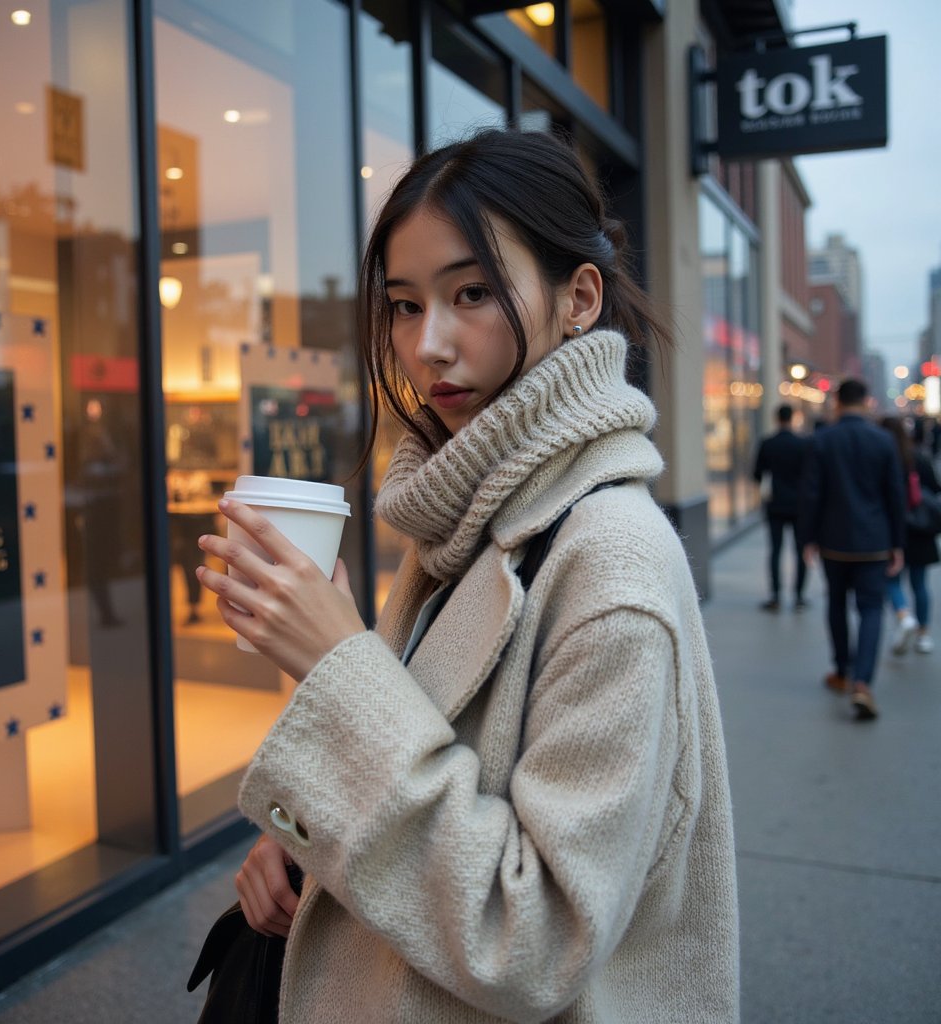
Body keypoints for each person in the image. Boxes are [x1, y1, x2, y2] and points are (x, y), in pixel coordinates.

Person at [195, 128, 739, 1022]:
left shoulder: (611, 563)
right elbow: (424, 774)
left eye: (472, 293)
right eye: (405, 306)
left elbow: (534, 938)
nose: (427, 345)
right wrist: (299, 843)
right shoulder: (466, 517)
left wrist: (336, 663)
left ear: (579, 299)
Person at [798, 379, 905, 720]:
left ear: (838, 403)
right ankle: (862, 682)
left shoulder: (822, 440)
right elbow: (895, 497)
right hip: (875, 541)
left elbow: (811, 494)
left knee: (837, 604)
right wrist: (897, 543)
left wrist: (807, 539)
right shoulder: (884, 440)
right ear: (868, 402)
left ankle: (842, 671)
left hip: (834, 540)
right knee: (872, 608)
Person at [880, 417, 940, 655]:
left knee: (892, 579)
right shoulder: (920, 458)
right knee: (920, 583)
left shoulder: (884, 459)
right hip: (921, 529)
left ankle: (904, 615)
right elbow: (935, 488)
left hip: (893, 528)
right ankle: (923, 634)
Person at [752, 403, 808, 610]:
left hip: (775, 503)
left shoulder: (768, 443)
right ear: (792, 417)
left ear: (777, 418)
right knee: (800, 550)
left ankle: (775, 595)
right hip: (799, 505)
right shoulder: (802, 444)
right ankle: (799, 596)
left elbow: (757, 474)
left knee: (775, 550)